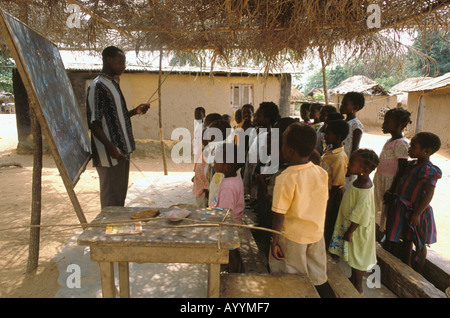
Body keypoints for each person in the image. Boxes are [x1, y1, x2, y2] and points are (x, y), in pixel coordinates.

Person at [269, 123, 331, 295]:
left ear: (290, 150)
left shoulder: (285, 178)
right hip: (316, 235)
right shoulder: (321, 172)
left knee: (293, 278)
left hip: (292, 238)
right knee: (315, 276)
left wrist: (274, 241)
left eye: (283, 143)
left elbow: (279, 215)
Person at [86, 46, 149, 208]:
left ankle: (116, 227)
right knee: (110, 198)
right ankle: (108, 227)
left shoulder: (112, 83)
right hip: (110, 154)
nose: (123, 66)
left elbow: (116, 118)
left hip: (122, 150)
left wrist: (135, 111)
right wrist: (112, 148)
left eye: (124, 63)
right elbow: (94, 123)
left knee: (119, 196)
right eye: (120, 62)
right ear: (109, 60)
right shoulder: (97, 86)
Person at [385, 132, 441, 273]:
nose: (409, 148)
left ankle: (419, 271)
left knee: (419, 242)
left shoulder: (428, 170)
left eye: (413, 146)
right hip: (403, 209)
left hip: (417, 212)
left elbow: (429, 193)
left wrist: (417, 213)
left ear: (426, 151)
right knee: (406, 238)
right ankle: (406, 266)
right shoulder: (411, 165)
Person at [329, 148, 380, 295]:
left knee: (359, 256)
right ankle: (353, 280)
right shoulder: (357, 182)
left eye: (352, 162)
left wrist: (350, 231)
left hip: (357, 229)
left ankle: (358, 287)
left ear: (364, 169)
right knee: (353, 253)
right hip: (350, 226)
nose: (348, 164)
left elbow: (361, 213)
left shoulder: (365, 188)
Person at [374, 108, 411, 235]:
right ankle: (379, 232)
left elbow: (402, 170)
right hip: (381, 180)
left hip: (390, 184)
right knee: (379, 208)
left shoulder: (401, 143)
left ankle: (386, 236)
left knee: (387, 211)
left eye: (387, 122)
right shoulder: (390, 141)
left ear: (399, 125)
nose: (383, 125)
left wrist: (392, 190)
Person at [210, 142, 245, 272]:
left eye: (216, 160)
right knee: (232, 250)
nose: (214, 162)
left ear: (227, 166)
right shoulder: (235, 177)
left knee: (231, 251)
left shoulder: (228, 186)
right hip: (234, 222)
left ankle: (233, 274)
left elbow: (224, 213)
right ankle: (233, 270)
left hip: (228, 225)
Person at [320, 119, 349, 248]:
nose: (325, 136)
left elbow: (337, 183)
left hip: (332, 195)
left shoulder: (339, 157)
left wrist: (330, 202)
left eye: (328, 134)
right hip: (325, 193)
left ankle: (329, 247)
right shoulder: (330, 151)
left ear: (337, 137)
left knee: (329, 221)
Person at [340, 92, 365, 188]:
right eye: (341, 103)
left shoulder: (356, 125)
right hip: (340, 161)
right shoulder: (342, 122)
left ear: (355, 107)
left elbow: (355, 148)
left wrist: (350, 167)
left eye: (345, 104)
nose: (341, 106)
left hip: (347, 164)